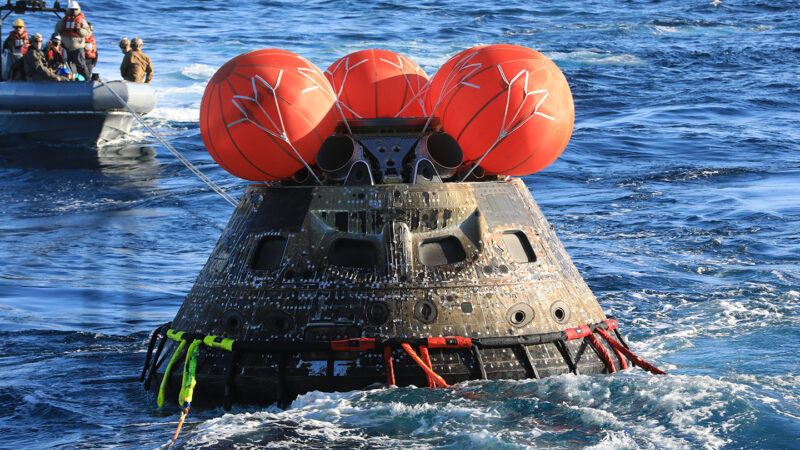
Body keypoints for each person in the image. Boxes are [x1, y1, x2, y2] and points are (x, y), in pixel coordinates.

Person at [55, 0, 91, 81]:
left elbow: (87, 33)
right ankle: (70, 80)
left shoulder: (81, 21)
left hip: (78, 47)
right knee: (67, 65)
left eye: (75, 9)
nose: (73, 11)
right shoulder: (64, 20)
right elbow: (57, 29)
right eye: (72, 10)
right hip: (66, 47)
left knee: (80, 64)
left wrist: (79, 30)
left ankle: (87, 80)